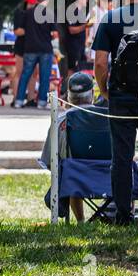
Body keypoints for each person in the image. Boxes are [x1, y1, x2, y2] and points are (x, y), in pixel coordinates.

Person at [93, 0, 138, 225]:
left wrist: (104, 89)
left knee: (121, 157)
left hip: (120, 94)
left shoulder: (110, 18)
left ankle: (123, 213)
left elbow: (100, 63)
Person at [43, 72, 113, 221]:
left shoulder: (61, 120)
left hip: (75, 178)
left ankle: (80, 221)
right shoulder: (110, 117)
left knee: (69, 167)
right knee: (71, 167)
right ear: (93, 93)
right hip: (110, 176)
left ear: (68, 96)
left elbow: (50, 161)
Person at [13, 0, 57, 108]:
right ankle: (42, 102)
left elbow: (21, 30)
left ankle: (19, 101)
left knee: (25, 75)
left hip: (30, 48)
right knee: (44, 77)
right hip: (46, 49)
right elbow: (54, 33)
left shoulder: (27, 13)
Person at [60, 0, 91, 86]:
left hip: (80, 46)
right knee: (72, 69)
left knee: (80, 69)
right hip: (73, 45)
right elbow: (71, 30)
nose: (87, 0)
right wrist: (86, 25)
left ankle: (77, 91)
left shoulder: (81, 12)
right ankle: (68, 91)